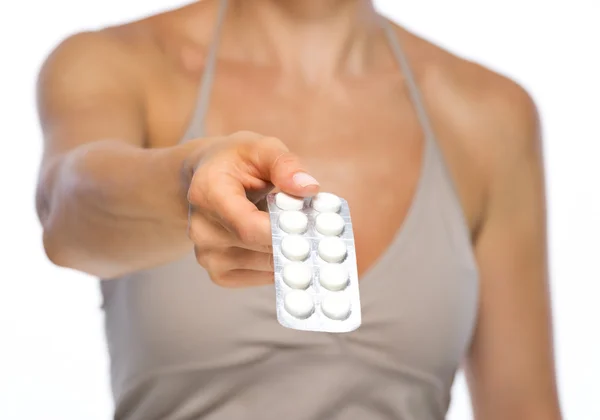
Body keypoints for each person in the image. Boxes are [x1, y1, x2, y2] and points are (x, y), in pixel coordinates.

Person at [34, 0, 563, 419]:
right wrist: (186, 181)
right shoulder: (121, 64)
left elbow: (522, 408)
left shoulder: (491, 117)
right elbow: (66, 213)